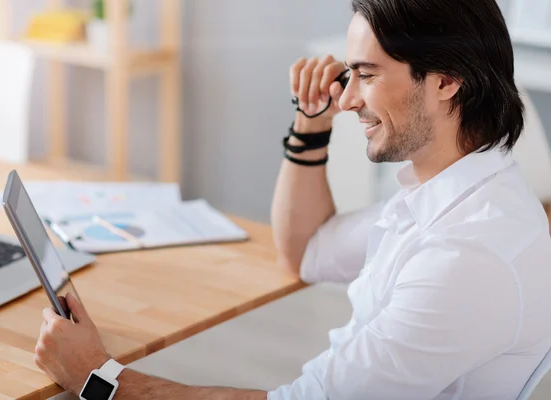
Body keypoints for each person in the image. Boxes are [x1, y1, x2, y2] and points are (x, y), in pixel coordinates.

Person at [35, 0, 551, 399]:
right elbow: (305, 252)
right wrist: (310, 123)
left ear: (446, 81)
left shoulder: (466, 257)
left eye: (367, 76)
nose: (346, 98)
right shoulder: (449, 194)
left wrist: (96, 378)